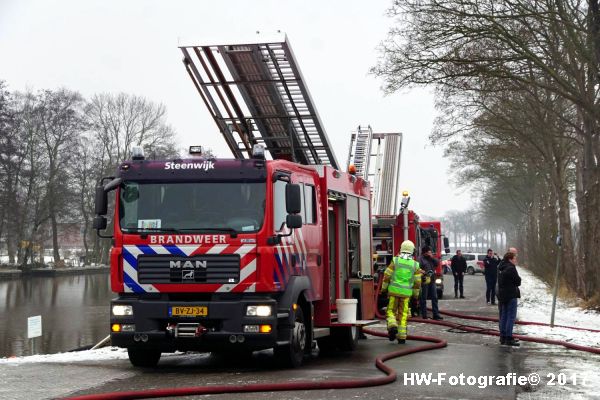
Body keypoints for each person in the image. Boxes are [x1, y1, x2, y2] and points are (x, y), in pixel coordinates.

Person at [380, 240, 423, 344]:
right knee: (403, 314)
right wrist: (415, 295)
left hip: (394, 293)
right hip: (406, 294)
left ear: (401, 249)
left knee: (390, 311)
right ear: (412, 250)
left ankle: (392, 326)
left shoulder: (396, 261)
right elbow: (417, 282)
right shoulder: (415, 265)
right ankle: (402, 337)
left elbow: (387, 275)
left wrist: (383, 289)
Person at [497, 251, 521, 346]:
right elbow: (518, 281)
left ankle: (502, 337)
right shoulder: (511, 268)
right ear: (510, 259)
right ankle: (509, 338)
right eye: (515, 258)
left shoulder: (501, 267)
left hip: (502, 295)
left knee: (503, 316)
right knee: (511, 317)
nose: (516, 260)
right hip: (511, 295)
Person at [418, 245, 443, 320]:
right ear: (425, 253)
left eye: (430, 252)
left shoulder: (431, 259)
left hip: (432, 280)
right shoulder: (420, 259)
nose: (430, 253)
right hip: (424, 280)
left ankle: (436, 314)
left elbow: (437, 263)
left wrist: (432, 257)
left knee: (434, 297)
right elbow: (417, 268)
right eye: (429, 252)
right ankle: (424, 315)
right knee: (423, 298)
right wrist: (423, 273)